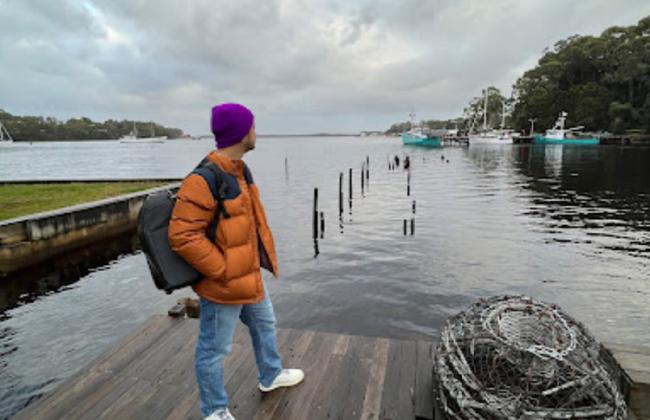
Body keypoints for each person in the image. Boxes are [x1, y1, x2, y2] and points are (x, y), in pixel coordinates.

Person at [168, 103, 304, 420]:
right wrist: (223, 270)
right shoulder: (202, 180)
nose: (256, 131)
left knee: (265, 325)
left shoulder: (240, 171)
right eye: (253, 126)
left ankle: (270, 375)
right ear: (242, 133)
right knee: (213, 349)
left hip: (249, 275)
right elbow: (183, 236)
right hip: (224, 283)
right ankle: (214, 411)